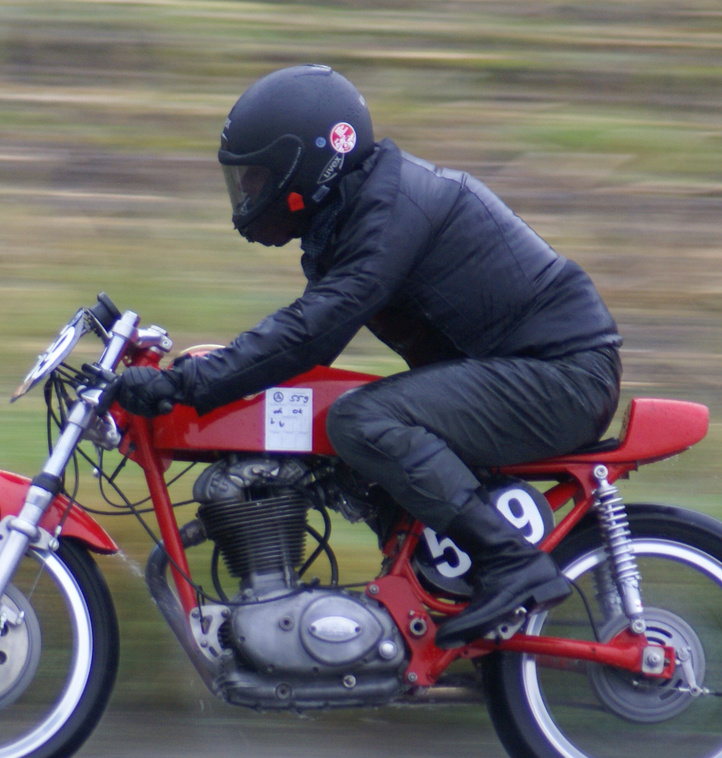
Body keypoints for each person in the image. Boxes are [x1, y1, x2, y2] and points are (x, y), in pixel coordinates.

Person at [113, 64, 623, 647]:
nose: (249, 194)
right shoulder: (357, 215)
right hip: (529, 371)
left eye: (257, 178)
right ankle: (415, 590)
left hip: (561, 376)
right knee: (326, 418)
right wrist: (207, 369)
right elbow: (304, 334)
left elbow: (314, 332)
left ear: (307, 165)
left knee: (360, 418)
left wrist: (189, 383)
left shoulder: (391, 211)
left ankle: (509, 561)